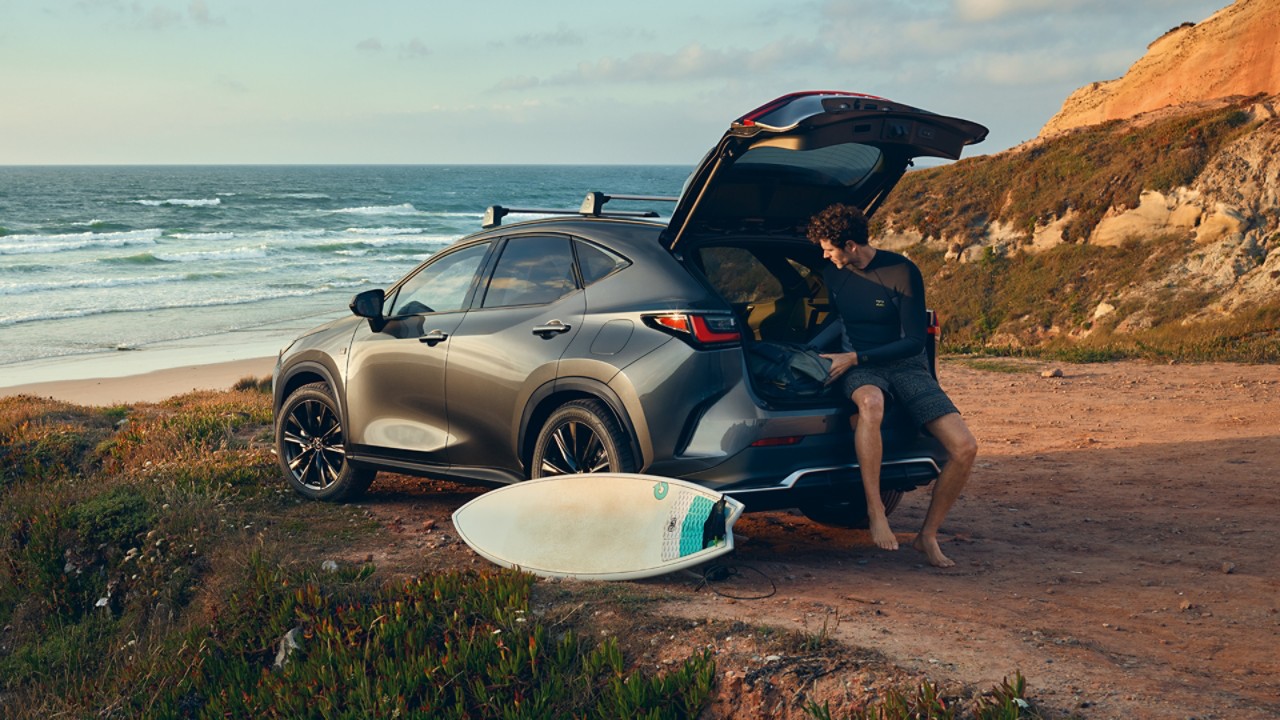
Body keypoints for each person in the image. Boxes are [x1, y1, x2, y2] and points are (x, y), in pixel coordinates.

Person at [806, 203, 977, 568]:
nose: (824, 254)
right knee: (870, 403)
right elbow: (840, 320)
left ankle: (927, 535)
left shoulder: (901, 271)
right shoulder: (833, 274)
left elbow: (915, 340)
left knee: (965, 447)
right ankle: (875, 509)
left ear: (850, 245)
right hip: (861, 368)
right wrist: (810, 351)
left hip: (903, 364)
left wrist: (855, 358)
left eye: (828, 248)